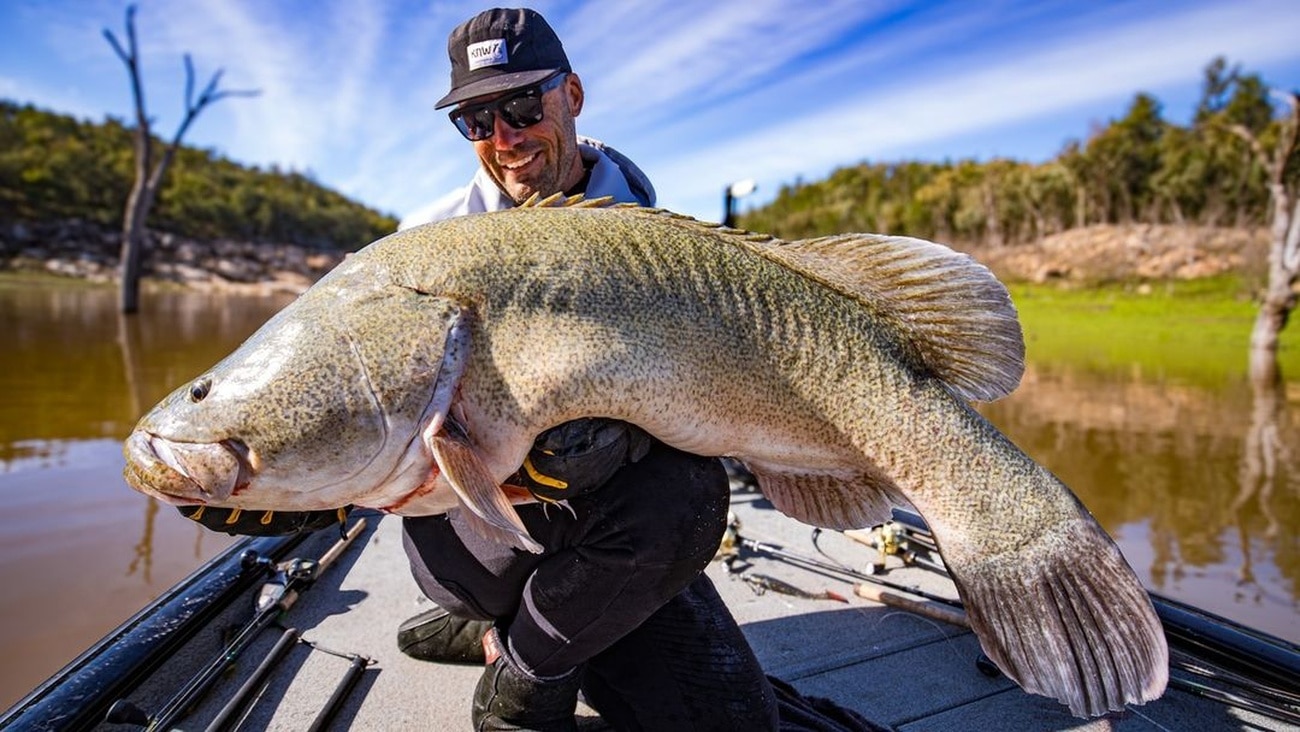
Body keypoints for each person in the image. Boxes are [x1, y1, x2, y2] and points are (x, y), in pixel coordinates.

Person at [395, 8, 778, 731]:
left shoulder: (666, 248)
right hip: (474, 535)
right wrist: (276, 482)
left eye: (520, 105)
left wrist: (624, 440)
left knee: (737, 719)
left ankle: (520, 643)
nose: (504, 139)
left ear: (571, 94)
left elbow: (714, 401)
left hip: (608, 546)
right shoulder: (422, 243)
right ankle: (504, 646)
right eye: (477, 120)